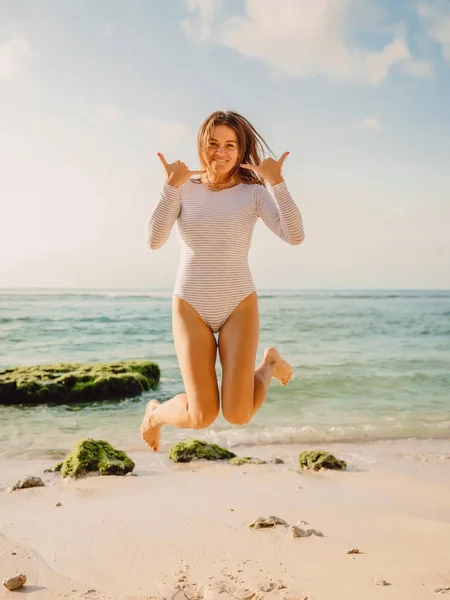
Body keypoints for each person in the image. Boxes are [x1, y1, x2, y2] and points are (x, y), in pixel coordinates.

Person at [140, 110, 305, 451]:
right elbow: (154, 240)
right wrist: (170, 186)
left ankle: (269, 364)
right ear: (202, 144)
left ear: (241, 149)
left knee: (238, 414)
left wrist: (277, 182)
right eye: (213, 143)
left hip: (237, 304)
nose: (221, 152)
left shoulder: (254, 193)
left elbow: (295, 235)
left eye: (230, 144)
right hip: (191, 305)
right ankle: (154, 415)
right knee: (201, 417)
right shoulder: (183, 189)